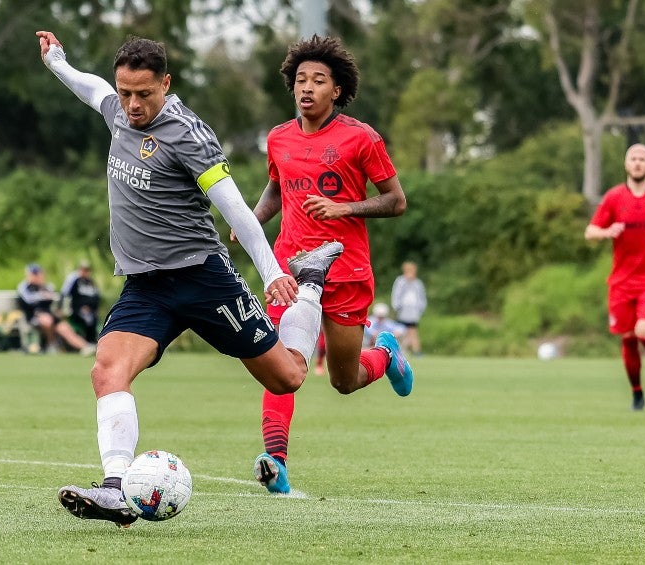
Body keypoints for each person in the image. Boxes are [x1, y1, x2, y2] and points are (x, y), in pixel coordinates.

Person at [38, 30, 371, 527]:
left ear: (166, 84)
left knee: (289, 376)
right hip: (147, 286)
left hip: (203, 279)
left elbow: (235, 210)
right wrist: (57, 62)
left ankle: (311, 282)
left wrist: (274, 271)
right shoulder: (117, 109)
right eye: (125, 92)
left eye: (144, 94)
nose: (131, 105)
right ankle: (113, 489)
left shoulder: (187, 134)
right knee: (107, 370)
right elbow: (91, 89)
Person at [244, 35, 414, 495]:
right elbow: (277, 191)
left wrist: (346, 209)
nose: (307, 87)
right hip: (292, 269)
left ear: (336, 90)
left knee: (344, 380)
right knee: (281, 361)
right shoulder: (278, 138)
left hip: (347, 271)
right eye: (301, 79)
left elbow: (396, 202)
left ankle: (385, 356)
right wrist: (249, 222)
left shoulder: (361, 138)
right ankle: (274, 460)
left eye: (318, 80)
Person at [585, 143, 645, 411]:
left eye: (643, 159)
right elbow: (590, 231)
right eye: (633, 158)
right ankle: (637, 393)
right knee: (628, 338)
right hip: (620, 282)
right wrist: (607, 232)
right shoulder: (614, 198)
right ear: (626, 164)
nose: (638, 163)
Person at [18, 263, 94, 354]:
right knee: (47, 320)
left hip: (49, 314)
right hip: (33, 316)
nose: (37, 276)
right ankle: (51, 344)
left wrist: (44, 293)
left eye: (38, 273)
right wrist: (42, 295)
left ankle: (85, 347)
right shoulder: (24, 286)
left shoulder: (46, 286)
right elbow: (29, 300)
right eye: (34, 274)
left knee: (64, 328)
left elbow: (53, 297)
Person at [60, 260, 101, 343]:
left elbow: (97, 297)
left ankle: (91, 341)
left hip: (91, 310)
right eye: (83, 270)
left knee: (93, 319)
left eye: (87, 270)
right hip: (77, 310)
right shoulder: (74, 281)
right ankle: (87, 343)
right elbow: (65, 294)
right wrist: (63, 308)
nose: (85, 272)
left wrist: (93, 308)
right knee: (87, 319)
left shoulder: (91, 282)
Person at [391, 260, 427, 355]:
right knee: (402, 332)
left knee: (412, 332)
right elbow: (396, 295)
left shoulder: (418, 283)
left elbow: (421, 298)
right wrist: (397, 307)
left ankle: (415, 351)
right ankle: (401, 352)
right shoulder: (400, 281)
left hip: (413, 313)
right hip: (402, 311)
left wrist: (420, 310)